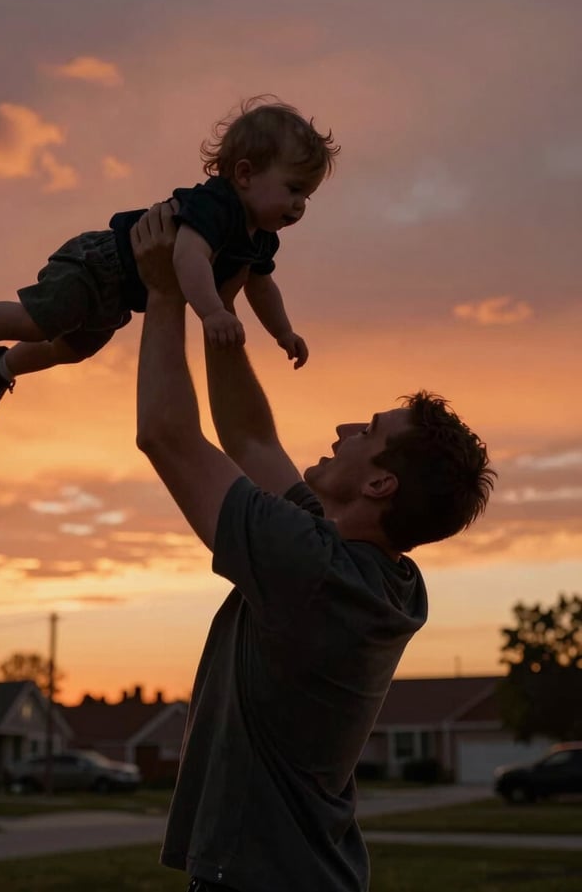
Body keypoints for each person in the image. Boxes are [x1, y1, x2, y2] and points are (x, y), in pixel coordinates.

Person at [131, 203, 496, 892]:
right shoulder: (377, 575)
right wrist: (224, 311)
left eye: (370, 429)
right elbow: (252, 440)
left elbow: (167, 436)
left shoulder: (311, 569)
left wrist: (160, 295)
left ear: (381, 480)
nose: (344, 425)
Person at [0, 97, 339, 423]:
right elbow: (190, 255)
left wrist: (283, 332)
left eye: (308, 196)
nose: (300, 205)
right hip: (101, 263)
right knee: (40, 320)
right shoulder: (218, 206)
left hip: (123, 296)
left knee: (70, 349)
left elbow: (261, 286)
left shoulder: (261, 239)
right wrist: (211, 312)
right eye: (293, 189)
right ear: (245, 175)